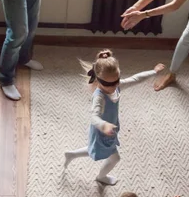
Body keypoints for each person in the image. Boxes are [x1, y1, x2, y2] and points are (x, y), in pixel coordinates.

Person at [64, 50, 165, 185]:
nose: (113, 87)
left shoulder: (116, 86)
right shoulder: (99, 97)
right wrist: (104, 125)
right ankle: (101, 176)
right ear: (98, 80)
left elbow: (135, 79)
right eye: (108, 84)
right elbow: (94, 117)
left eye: (116, 81)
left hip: (110, 129)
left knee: (94, 149)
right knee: (114, 158)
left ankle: (71, 154)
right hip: (102, 131)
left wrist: (153, 72)